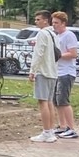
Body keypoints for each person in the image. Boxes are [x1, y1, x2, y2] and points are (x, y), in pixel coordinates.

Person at [28, 9, 60, 143]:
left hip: (43, 71)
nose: (36, 22)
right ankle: (50, 130)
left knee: (43, 102)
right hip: (52, 71)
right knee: (49, 101)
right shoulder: (53, 34)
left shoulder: (42, 34)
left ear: (46, 20)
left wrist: (32, 70)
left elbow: (38, 53)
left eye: (38, 19)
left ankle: (46, 132)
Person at [51, 11, 79, 139]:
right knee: (56, 101)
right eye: (53, 23)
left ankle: (71, 128)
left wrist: (59, 55)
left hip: (67, 72)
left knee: (63, 100)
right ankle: (62, 126)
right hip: (58, 71)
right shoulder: (57, 36)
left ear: (63, 23)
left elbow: (73, 54)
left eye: (57, 23)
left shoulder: (69, 35)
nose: (54, 25)